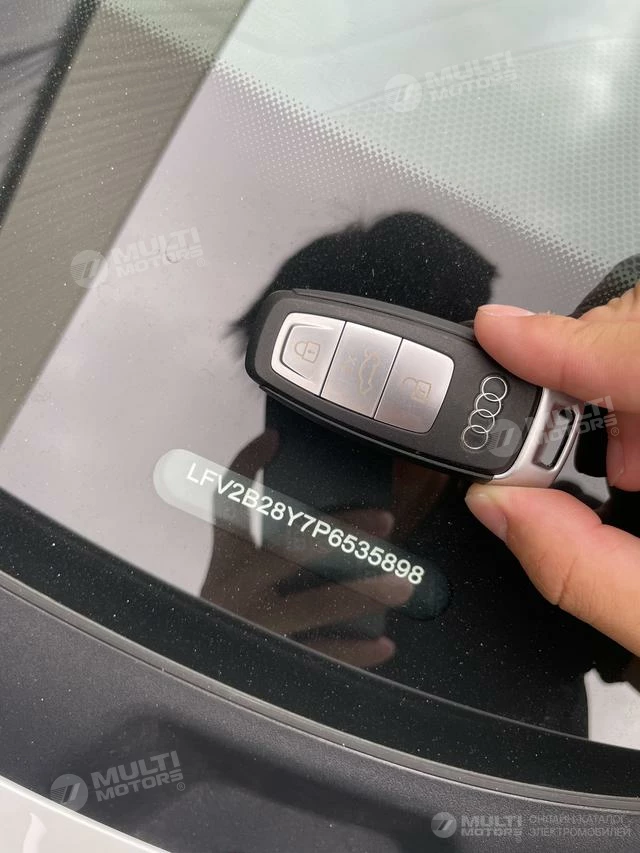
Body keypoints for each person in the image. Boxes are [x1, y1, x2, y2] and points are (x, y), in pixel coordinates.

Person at [202, 213, 638, 736]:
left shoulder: (556, 532)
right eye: (312, 413)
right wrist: (208, 650)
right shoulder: (258, 580)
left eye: (395, 395)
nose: (357, 438)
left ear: (471, 386)